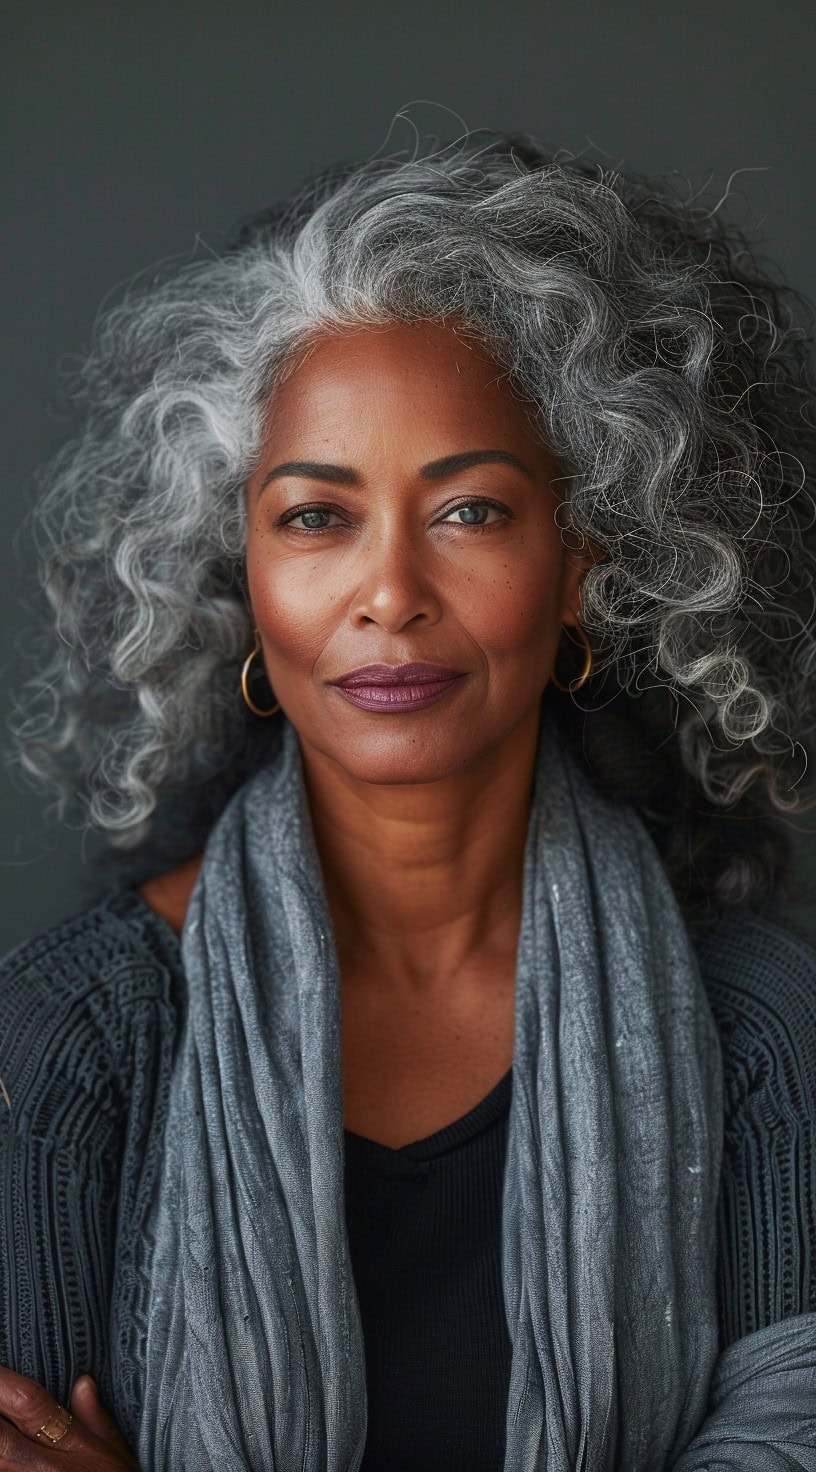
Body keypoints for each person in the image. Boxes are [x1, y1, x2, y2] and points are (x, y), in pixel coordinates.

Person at [1, 131, 816, 1472]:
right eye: (317, 517)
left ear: (580, 573)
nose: (389, 592)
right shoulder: (70, 1047)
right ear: (243, 580)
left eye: (474, 512)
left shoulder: (761, 1031)